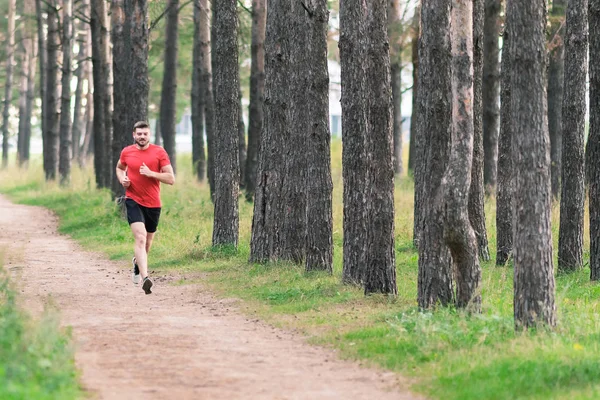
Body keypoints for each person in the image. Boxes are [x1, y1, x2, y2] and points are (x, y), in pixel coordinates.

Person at [115, 121, 175, 294]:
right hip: (133, 199)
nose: (142, 137)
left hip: (153, 203)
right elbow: (120, 167)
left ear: (149, 135)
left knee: (147, 243)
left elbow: (171, 179)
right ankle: (145, 277)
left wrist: (151, 174)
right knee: (140, 238)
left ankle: (137, 264)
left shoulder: (159, 152)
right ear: (134, 135)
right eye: (139, 134)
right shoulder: (127, 151)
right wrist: (122, 179)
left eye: (145, 134)